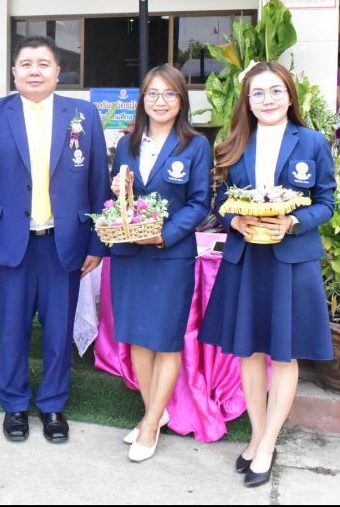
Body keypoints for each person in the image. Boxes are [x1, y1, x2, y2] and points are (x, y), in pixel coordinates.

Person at [0, 34, 110, 444]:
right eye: (26, 64)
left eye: (43, 64)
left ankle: (52, 405)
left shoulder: (83, 115)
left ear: (57, 72)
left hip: (64, 244)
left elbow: (99, 182)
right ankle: (14, 404)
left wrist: (97, 244)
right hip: (10, 244)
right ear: (14, 72)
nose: (34, 71)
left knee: (58, 331)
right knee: (12, 329)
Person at [199, 61, 336, 488]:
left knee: (283, 354)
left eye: (276, 91)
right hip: (247, 258)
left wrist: (292, 222)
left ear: (290, 95)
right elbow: (221, 199)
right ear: (248, 100)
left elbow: (327, 202)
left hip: (291, 260)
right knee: (249, 351)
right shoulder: (236, 141)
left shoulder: (312, 142)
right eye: (257, 93)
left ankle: (269, 441)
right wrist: (234, 220)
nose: (267, 100)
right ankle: (258, 436)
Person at [108, 66, 212, 462]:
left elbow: (199, 203)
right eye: (152, 93)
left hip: (170, 255)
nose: (160, 101)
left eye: (169, 94)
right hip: (130, 254)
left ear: (181, 100)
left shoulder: (195, 146)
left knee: (166, 339)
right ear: (142, 100)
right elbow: (119, 199)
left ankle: (150, 424)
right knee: (137, 336)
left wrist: (163, 235)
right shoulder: (127, 143)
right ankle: (154, 411)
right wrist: (119, 190)